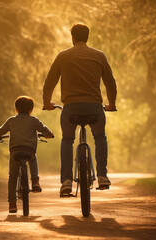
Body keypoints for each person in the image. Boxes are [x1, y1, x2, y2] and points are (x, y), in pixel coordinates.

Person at [42, 23, 117, 194]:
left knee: (67, 140)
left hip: (71, 109)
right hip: (94, 108)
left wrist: (47, 102)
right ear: (87, 37)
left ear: (73, 38)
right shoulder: (99, 55)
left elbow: (50, 81)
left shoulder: (63, 56)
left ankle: (66, 181)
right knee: (99, 136)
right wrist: (111, 103)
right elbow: (110, 82)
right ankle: (103, 176)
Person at [0, 96, 54, 213]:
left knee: (12, 177)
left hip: (15, 151)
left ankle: (12, 204)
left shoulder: (11, 120)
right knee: (33, 158)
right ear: (31, 110)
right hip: (29, 150)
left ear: (16, 109)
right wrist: (49, 134)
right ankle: (35, 181)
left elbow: (1, 130)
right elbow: (43, 128)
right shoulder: (34, 120)